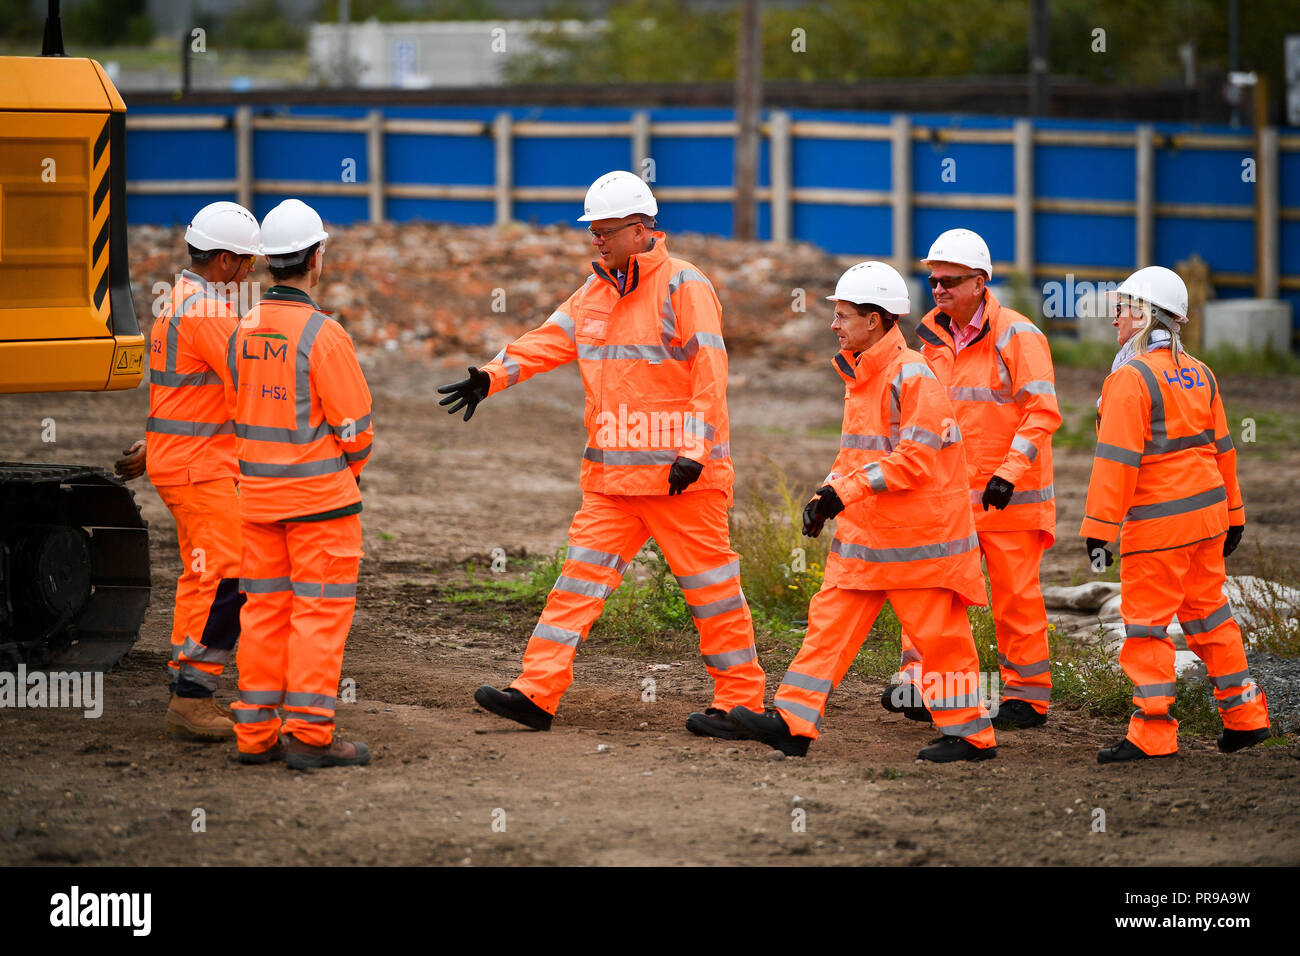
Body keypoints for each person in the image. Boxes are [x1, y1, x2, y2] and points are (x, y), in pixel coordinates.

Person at [438, 170, 765, 739]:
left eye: (606, 230)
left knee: (713, 596)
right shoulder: (593, 291)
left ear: (641, 231)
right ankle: (536, 692)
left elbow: (709, 373)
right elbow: (545, 341)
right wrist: (490, 377)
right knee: (575, 587)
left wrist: (693, 449)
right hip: (612, 485)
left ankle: (740, 704)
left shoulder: (685, 286)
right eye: (593, 230)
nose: (597, 239)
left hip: (681, 483)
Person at [728, 262, 997, 763]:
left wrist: (841, 494)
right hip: (869, 536)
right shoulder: (864, 371)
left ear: (875, 321)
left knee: (940, 642)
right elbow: (856, 455)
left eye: (844, 315)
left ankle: (971, 736)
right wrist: (824, 494)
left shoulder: (912, 374)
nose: (833, 324)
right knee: (826, 628)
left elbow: (913, 461)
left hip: (919, 541)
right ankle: (792, 722)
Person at [1081, 266, 1270, 762]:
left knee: (1145, 629)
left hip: (1159, 527)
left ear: (1144, 314)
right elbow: (1224, 449)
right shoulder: (1201, 372)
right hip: (1207, 520)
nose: (1115, 319)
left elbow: (1116, 461)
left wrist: (1099, 530)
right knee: (1211, 617)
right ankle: (1246, 719)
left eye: (1122, 309)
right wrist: (1234, 513)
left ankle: (1152, 734)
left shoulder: (1130, 377)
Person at [226, 199, 375, 770]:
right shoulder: (324, 334)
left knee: (262, 614)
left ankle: (255, 735)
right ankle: (311, 737)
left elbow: (238, 411)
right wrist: (341, 471)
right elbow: (356, 430)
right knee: (318, 615)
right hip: (320, 508)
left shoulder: (243, 329)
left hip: (258, 503)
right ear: (317, 258)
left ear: (267, 263)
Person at [900, 228, 1061, 731]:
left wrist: (1009, 473)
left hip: (1010, 500)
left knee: (1015, 599)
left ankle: (1027, 697)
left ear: (980, 283)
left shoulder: (1019, 335)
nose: (940, 289)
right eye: (934, 281)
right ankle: (922, 686)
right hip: (947, 500)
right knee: (933, 592)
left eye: (950, 280)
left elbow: (1043, 411)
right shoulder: (928, 341)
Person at [114, 201, 260, 740]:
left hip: (186, 461)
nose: (250, 271)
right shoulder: (208, 315)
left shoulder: (180, 304)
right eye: (246, 262)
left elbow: (180, 397)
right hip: (199, 468)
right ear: (224, 261)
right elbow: (251, 384)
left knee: (205, 569)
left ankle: (185, 675)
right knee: (226, 571)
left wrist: (153, 447)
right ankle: (190, 695)